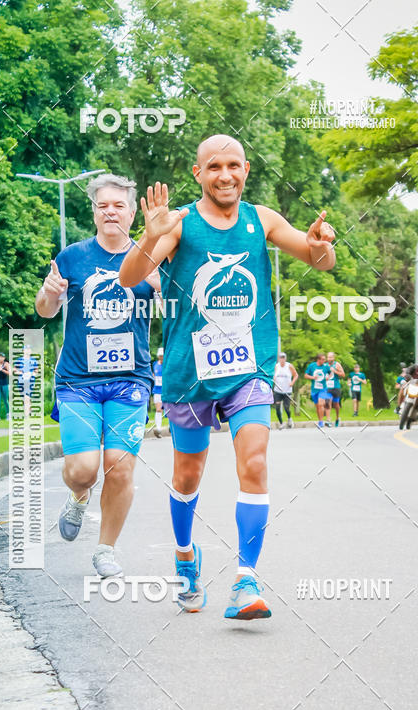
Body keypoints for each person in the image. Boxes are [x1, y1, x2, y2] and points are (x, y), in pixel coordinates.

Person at [119, 134, 335, 619]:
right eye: (214, 166)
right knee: (188, 472)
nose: (225, 174)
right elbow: (130, 278)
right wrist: (152, 236)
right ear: (199, 174)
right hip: (188, 371)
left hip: (249, 368)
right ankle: (184, 554)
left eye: (233, 165)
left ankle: (245, 580)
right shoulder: (179, 224)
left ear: (246, 169)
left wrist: (323, 245)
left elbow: (318, 258)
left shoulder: (263, 220)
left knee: (254, 463)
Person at [35, 173, 155, 579]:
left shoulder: (148, 255)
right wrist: (50, 292)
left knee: (119, 468)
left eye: (118, 205)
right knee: (84, 470)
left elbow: (180, 306)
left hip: (131, 379)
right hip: (78, 381)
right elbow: (44, 310)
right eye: (102, 205)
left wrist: (161, 284)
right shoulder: (73, 256)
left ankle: (105, 550)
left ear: (131, 211)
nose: (110, 211)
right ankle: (78, 496)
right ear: (94, 211)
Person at [396, 350, 418, 416]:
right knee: (403, 388)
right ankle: (398, 406)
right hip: (412, 384)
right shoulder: (415, 366)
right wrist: (408, 377)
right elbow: (407, 371)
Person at [305, 353, 331, 428]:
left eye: (324, 359)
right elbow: (306, 375)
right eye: (323, 359)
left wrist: (328, 377)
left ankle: (322, 421)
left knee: (321, 404)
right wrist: (313, 377)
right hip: (314, 389)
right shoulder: (312, 366)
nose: (324, 361)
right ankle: (320, 421)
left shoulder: (326, 366)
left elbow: (330, 373)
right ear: (318, 360)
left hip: (323, 389)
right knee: (317, 406)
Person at [12, 344, 39, 416]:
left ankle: (26, 415)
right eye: (26, 349)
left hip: (30, 381)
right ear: (23, 351)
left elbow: (36, 370)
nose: (28, 351)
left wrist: (32, 373)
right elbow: (14, 369)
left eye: (29, 349)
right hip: (21, 381)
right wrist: (19, 372)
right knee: (24, 398)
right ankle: (29, 409)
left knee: (27, 397)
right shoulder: (19, 360)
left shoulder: (33, 360)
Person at [273, 351, 297, 429]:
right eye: (281, 358)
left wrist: (292, 383)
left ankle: (289, 419)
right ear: (279, 359)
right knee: (277, 407)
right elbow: (274, 375)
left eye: (283, 358)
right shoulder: (277, 366)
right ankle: (281, 423)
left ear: (285, 358)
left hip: (287, 390)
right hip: (278, 390)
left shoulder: (289, 366)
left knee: (286, 407)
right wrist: (274, 378)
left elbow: (296, 375)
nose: (282, 359)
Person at [325, 351, 345, 427]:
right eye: (328, 357)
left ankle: (337, 418)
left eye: (331, 357)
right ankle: (328, 420)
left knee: (336, 404)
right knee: (327, 402)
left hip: (336, 387)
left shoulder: (337, 364)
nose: (329, 358)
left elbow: (343, 375)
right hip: (327, 387)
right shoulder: (325, 365)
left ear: (333, 358)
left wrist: (335, 371)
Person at [152, 347, 165, 437]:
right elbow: (153, 374)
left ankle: (172, 428)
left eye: (162, 356)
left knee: (169, 410)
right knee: (158, 409)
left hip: (166, 390)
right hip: (157, 390)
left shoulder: (167, 365)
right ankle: (158, 429)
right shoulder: (155, 364)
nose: (161, 357)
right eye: (160, 356)